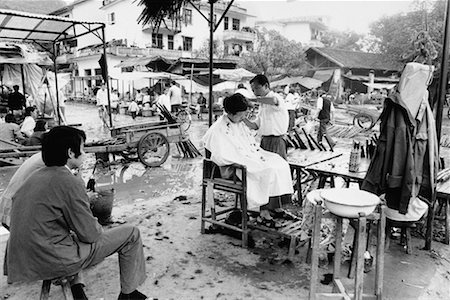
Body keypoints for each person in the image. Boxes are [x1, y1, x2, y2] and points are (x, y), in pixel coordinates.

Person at [6, 126, 147, 300]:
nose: (85, 152)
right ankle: (129, 294)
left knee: (71, 236)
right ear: (71, 153)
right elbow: (91, 235)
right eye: (82, 148)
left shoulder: (34, 177)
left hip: (22, 260)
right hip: (51, 259)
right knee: (132, 233)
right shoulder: (67, 181)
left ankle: (78, 290)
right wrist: (93, 221)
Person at [203, 93, 293, 221]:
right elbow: (222, 155)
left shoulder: (238, 123)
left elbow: (249, 144)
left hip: (247, 157)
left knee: (280, 163)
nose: (244, 118)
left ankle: (276, 207)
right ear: (231, 113)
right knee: (266, 170)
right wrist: (248, 158)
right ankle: (264, 212)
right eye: (242, 115)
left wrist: (255, 155)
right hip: (230, 168)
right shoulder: (218, 128)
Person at [245, 74, 289, 159]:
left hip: (276, 140)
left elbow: (273, 101)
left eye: (257, 88)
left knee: (277, 167)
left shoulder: (275, 97)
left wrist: (250, 100)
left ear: (266, 86)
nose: (255, 92)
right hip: (265, 140)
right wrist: (242, 118)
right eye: (253, 90)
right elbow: (255, 126)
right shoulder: (262, 104)